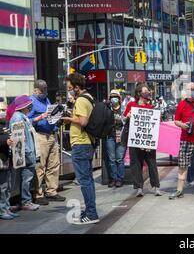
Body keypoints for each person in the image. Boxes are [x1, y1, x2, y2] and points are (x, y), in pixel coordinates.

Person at [61, 73, 98, 224]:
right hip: (86, 143)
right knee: (87, 179)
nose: (69, 90)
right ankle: (90, 210)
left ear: (77, 87)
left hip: (81, 143)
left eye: (70, 87)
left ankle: (91, 213)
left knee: (84, 180)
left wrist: (68, 118)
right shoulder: (88, 98)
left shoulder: (82, 100)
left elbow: (82, 121)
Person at [28, 80, 66, 205]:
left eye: (45, 90)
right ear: (36, 90)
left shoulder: (47, 100)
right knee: (40, 166)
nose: (44, 92)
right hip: (40, 136)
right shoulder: (31, 101)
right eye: (42, 90)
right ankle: (38, 194)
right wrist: (40, 117)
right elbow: (27, 120)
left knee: (54, 164)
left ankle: (51, 191)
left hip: (51, 134)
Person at [170, 82, 194, 199]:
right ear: (185, 91)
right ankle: (179, 190)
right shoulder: (181, 104)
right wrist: (182, 125)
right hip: (186, 139)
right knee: (182, 165)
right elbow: (176, 120)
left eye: (193, 89)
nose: (191, 91)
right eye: (189, 89)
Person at [124, 83, 162, 197]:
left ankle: (156, 186)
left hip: (147, 141)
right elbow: (125, 115)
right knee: (136, 163)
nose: (147, 93)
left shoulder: (150, 107)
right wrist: (129, 115)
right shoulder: (131, 104)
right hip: (135, 139)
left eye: (148, 91)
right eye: (145, 91)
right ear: (139, 93)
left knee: (152, 163)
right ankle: (139, 187)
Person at [9, 95, 40, 211]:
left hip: (27, 152)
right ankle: (26, 201)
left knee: (26, 178)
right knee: (26, 178)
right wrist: (28, 153)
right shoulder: (18, 117)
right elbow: (19, 139)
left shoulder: (21, 116)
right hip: (26, 153)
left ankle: (25, 201)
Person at [0, 103, 17, 220]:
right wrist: (5, 141)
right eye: (1, 109)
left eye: (5, 110)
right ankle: (2, 210)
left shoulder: (4, 123)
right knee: (2, 187)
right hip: (1, 160)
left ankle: (6, 208)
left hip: (7, 159)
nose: (3, 112)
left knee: (7, 186)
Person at [106, 90, 126, 188]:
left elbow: (127, 121)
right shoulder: (107, 109)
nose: (114, 98)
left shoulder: (123, 109)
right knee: (112, 159)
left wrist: (123, 119)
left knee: (119, 159)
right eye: (112, 97)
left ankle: (120, 178)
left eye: (115, 96)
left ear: (119, 98)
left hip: (121, 137)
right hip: (110, 136)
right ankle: (113, 178)